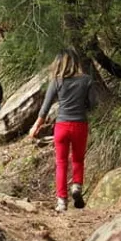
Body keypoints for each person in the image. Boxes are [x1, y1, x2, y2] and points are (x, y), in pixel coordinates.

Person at [29, 48, 97, 212]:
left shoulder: (56, 82)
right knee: (78, 159)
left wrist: (35, 126)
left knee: (61, 163)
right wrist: (83, 106)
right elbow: (94, 104)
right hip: (80, 125)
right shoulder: (87, 80)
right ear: (75, 62)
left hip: (61, 126)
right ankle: (76, 187)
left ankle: (61, 202)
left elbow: (45, 108)